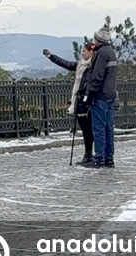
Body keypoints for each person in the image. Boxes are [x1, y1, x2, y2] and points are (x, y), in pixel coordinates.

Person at [44, 43, 98, 165]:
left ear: (91, 52)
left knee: (87, 129)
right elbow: (67, 64)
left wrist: (84, 91)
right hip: (79, 100)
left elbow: (90, 83)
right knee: (85, 129)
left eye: (84, 51)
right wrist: (52, 56)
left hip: (86, 101)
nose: (82, 53)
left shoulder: (92, 66)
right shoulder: (81, 65)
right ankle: (88, 154)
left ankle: (90, 154)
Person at [83, 25, 119, 168]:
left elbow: (97, 76)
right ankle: (109, 158)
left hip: (100, 96)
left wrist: (89, 94)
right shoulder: (111, 52)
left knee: (99, 128)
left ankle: (99, 158)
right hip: (111, 94)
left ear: (98, 40)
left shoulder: (101, 54)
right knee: (109, 129)